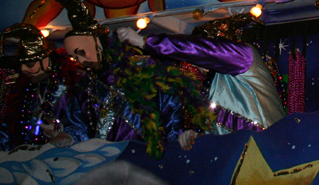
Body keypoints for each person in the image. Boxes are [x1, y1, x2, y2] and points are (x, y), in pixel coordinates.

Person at [46, 0, 211, 158]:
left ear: (97, 44)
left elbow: (170, 113)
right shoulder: (84, 85)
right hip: (97, 164)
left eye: (82, 52)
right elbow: (78, 124)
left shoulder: (143, 70)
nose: (80, 60)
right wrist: (68, 137)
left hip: (141, 161)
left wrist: (176, 144)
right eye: (74, 57)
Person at [117, 13, 285, 150]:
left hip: (270, 153)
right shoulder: (213, 86)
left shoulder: (245, 58)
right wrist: (196, 136)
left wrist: (145, 42)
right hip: (243, 161)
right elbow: (226, 129)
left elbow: (203, 51)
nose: (194, 63)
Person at [0, 23, 84, 150]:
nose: (23, 70)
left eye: (29, 64)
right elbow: (9, 128)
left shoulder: (71, 85)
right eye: (21, 65)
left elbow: (83, 125)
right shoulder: (22, 90)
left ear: (46, 60)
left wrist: (68, 137)